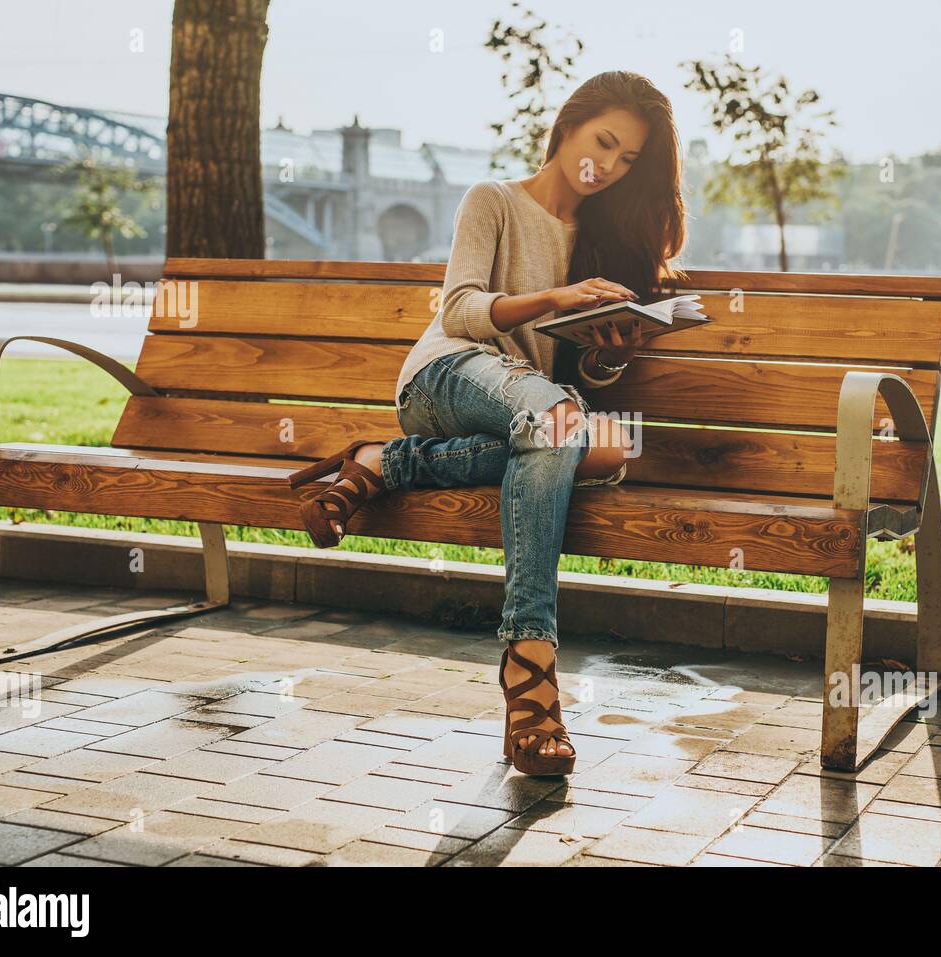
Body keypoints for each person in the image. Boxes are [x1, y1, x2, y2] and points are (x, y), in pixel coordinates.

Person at [288, 70, 688, 776]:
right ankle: (530, 666)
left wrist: (606, 356)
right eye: (603, 142)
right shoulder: (493, 199)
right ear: (568, 126)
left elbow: (573, 377)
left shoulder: (606, 240)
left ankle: (389, 463)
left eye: (628, 160)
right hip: (447, 376)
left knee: (600, 448)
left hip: (535, 406)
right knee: (561, 422)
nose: (609, 166)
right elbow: (461, 310)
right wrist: (553, 297)